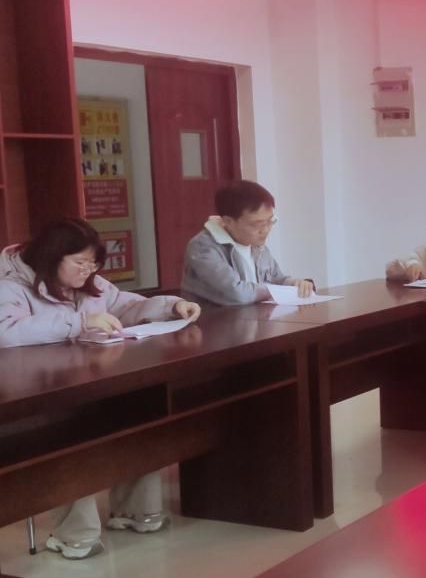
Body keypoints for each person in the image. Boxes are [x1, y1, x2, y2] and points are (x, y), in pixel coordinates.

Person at [0, 218, 201, 559]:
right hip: (38, 394)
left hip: (89, 380)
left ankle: (137, 510)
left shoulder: (88, 281)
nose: (88, 270)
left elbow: (125, 305)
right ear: (51, 257)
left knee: (138, 413)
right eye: (80, 262)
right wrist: (79, 322)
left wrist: (170, 306)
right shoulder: (10, 286)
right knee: (67, 436)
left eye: (93, 264)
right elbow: (6, 333)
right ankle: (77, 534)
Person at [181, 180, 314, 307]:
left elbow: (277, 279)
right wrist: (277, 290)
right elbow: (237, 293)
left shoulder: (256, 244)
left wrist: (295, 284)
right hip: (217, 321)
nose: (266, 230)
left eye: (270, 221)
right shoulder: (202, 247)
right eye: (258, 224)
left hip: (257, 319)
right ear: (228, 221)